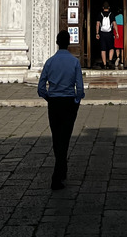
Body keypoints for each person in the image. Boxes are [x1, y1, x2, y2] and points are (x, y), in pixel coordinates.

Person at [37, 30, 85, 190]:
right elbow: (80, 87)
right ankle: (58, 175)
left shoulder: (50, 62)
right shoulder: (74, 62)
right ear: (69, 42)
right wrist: (77, 101)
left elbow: (41, 87)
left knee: (57, 136)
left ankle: (61, 170)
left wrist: (49, 98)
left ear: (57, 42)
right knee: (65, 136)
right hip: (69, 102)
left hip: (54, 103)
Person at [95, 1, 114, 67]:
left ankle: (104, 63)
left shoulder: (100, 14)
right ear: (109, 7)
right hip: (109, 33)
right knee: (111, 47)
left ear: (103, 7)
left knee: (103, 48)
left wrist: (97, 33)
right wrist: (116, 33)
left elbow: (97, 24)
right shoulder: (111, 14)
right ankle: (110, 61)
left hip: (102, 33)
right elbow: (114, 24)